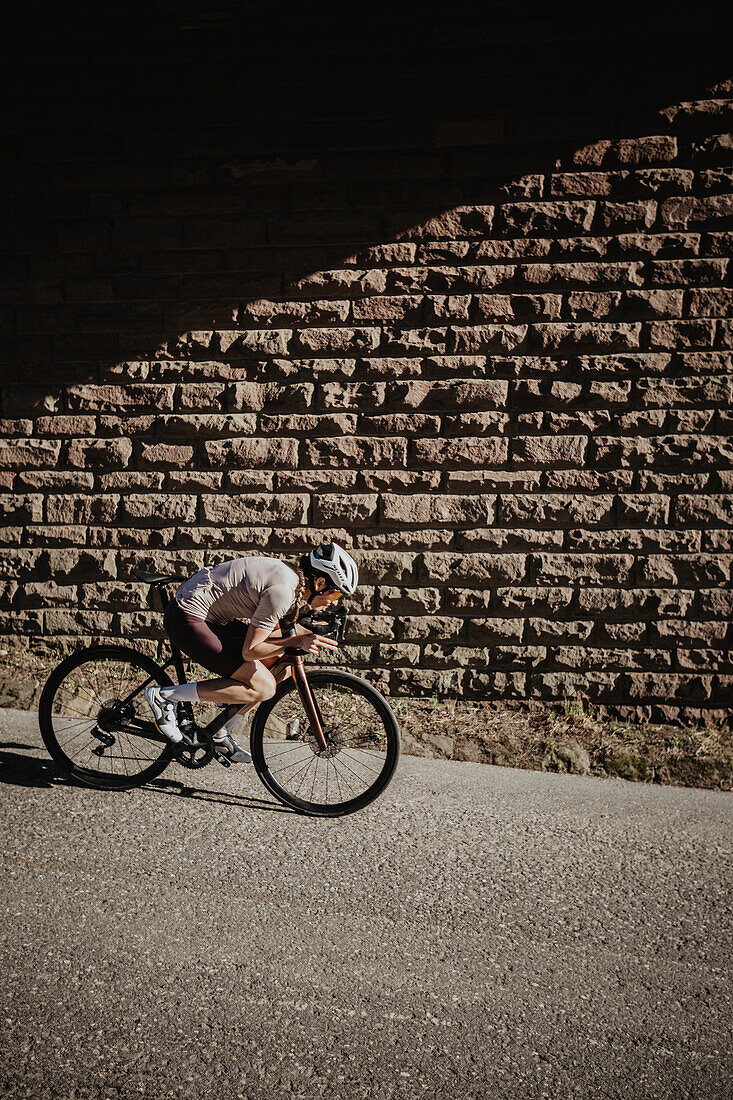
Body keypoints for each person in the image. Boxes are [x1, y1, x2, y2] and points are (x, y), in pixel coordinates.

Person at [144, 543, 358, 762]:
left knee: (280, 668)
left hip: (212, 619)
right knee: (265, 687)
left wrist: (311, 631)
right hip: (187, 618)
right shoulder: (283, 591)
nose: (334, 602)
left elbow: (275, 633)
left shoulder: (291, 581)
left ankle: (219, 732)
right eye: (336, 594)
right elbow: (252, 650)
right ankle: (165, 696)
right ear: (320, 582)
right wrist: (296, 641)